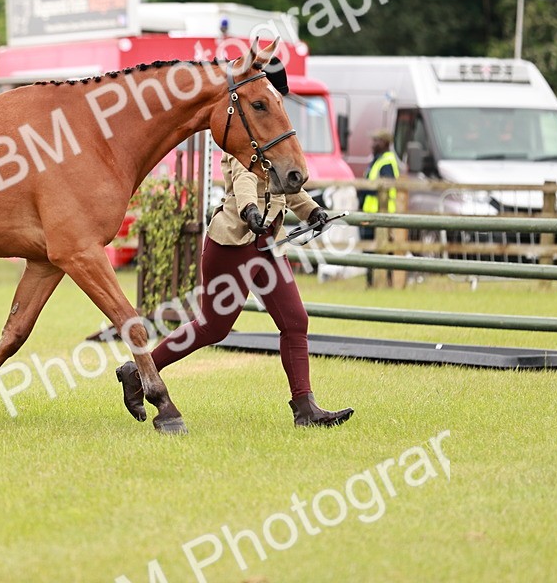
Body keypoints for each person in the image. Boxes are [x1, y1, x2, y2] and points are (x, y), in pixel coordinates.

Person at [115, 152, 354, 428]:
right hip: (233, 243)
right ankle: (138, 375)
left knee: (295, 321)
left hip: (269, 245)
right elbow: (244, 178)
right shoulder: (241, 140)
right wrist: (249, 209)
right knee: (213, 328)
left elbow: (287, 185)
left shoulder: (276, 141)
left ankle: (306, 410)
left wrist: (311, 211)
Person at [360, 129, 399, 288]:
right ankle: (371, 282)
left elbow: (385, 185)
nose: (373, 144)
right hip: (371, 211)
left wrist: (366, 189)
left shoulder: (386, 162)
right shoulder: (377, 160)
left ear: (386, 143)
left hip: (380, 212)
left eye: (377, 141)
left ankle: (384, 282)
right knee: (369, 248)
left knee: (382, 249)